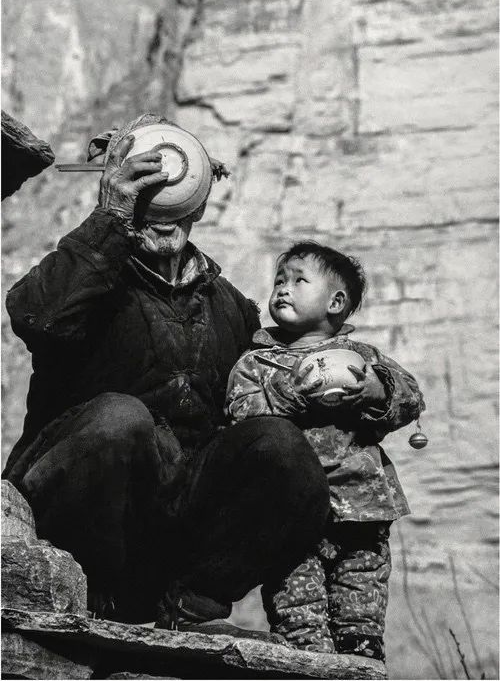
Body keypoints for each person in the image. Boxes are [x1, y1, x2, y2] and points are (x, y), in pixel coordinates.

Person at [3, 114, 331, 628]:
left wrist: (380, 390)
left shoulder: (231, 308)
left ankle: (190, 605)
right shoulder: (89, 269)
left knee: (281, 445)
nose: (159, 210)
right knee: (121, 418)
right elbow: (36, 316)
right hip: (74, 518)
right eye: (142, 193)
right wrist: (111, 219)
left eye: (176, 193)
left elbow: (301, 369)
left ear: (197, 201)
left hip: (168, 535)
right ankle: (94, 596)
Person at [225, 241, 425, 661]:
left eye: (299, 280)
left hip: (362, 509)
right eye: (279, 280)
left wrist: (377, 390)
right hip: (290, 513)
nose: (283, 288)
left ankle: (361, 660)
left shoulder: (362, 357)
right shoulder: (257, 362)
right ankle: (308, 661)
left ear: (335, 302)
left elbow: (410, 399)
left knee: (361, 613)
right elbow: (241, 416)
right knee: (299, 617)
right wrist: (292, 392)